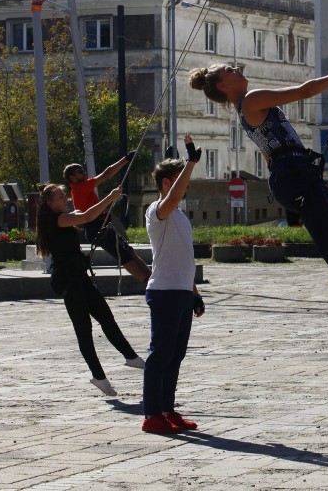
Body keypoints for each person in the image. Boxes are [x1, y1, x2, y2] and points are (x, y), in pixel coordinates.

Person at [188, 60, 328, 334]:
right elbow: (305, 91)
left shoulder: (244, 110)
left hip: (294, 173)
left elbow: (268, 153)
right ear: (223, 85)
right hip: (293, 174)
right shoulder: (252, 100)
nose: (236, 69)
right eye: (229, 70)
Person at [35, 183, 145, 397]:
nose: (64, 198)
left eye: (64, 194)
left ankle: (130, 357)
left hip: (80, 278)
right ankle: (99, 377)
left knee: (106, 317)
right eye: (59, 196)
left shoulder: (65, 216)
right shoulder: (55, 220)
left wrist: (101, 208)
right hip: (68, 281)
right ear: (49, 202)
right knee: (84, 331)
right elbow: (85, 217)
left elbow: (86, 215)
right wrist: (110, 198)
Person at [141, 135, 206, 434]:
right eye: (180, 179)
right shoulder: (157, 212)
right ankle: (151, 415)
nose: (186, 184)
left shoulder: (179, 216)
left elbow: (185, 258)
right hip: (164, 292)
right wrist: (191, 162)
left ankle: (167, 409)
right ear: (167, 182)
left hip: (181, 291)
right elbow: (175, 197)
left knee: (175, 355)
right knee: (161, 354)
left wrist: (194, 292)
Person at [63, 155, 151, 284]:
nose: (84, 172)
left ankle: (153, 279)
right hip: (96, 227)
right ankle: (148, 282)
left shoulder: (81, 187)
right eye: (80, 171)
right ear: (73, 177)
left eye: (83, 169)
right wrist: (125, 160)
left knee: (129, 251)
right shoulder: (81, 187)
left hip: (101, 225)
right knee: (124, 256)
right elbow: (107, 174)